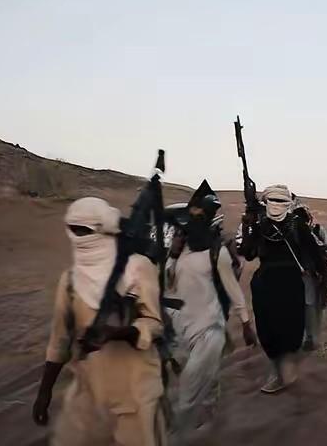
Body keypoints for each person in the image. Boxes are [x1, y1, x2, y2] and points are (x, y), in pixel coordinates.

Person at [32, 197, 167, 446]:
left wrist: (116, 333)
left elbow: (155, 324)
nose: (79, 237)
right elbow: (59, 341)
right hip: (88, 395)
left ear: (105, 229)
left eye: (85, 231)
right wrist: (44, 393)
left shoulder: (137, 268)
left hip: (135, 393)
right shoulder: (70, 280)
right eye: (74, 230)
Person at [165, 188, 257, 436]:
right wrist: (172, 255)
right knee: (197, 375)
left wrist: (246, 323)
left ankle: (182, 433)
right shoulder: (177, 252)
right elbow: (167, 284)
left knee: (191, 385)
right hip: (178, 325)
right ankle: (205, 421)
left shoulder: (218, 252)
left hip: (207, 326)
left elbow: (233, 289)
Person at [239, 185, 325, 394]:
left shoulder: (297, 225)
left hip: (289, 283)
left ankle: (284, 373)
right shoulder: (260, 225)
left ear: (288, 204)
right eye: (273, 201)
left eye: (281, 201)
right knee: (268, 329)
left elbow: (314, 252)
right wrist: (247, 227)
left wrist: (320, 274)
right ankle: (279, 372)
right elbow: (248, 254)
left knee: (289, 327)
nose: (276, 205)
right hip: (266, 284)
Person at [293, 203, 327, 351]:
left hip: (304, 274)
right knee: (307, 305)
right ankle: (308, 337)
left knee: (305, 305)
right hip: (304, 274)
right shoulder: (301, 233)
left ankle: (307, 338)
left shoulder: (314, 231)